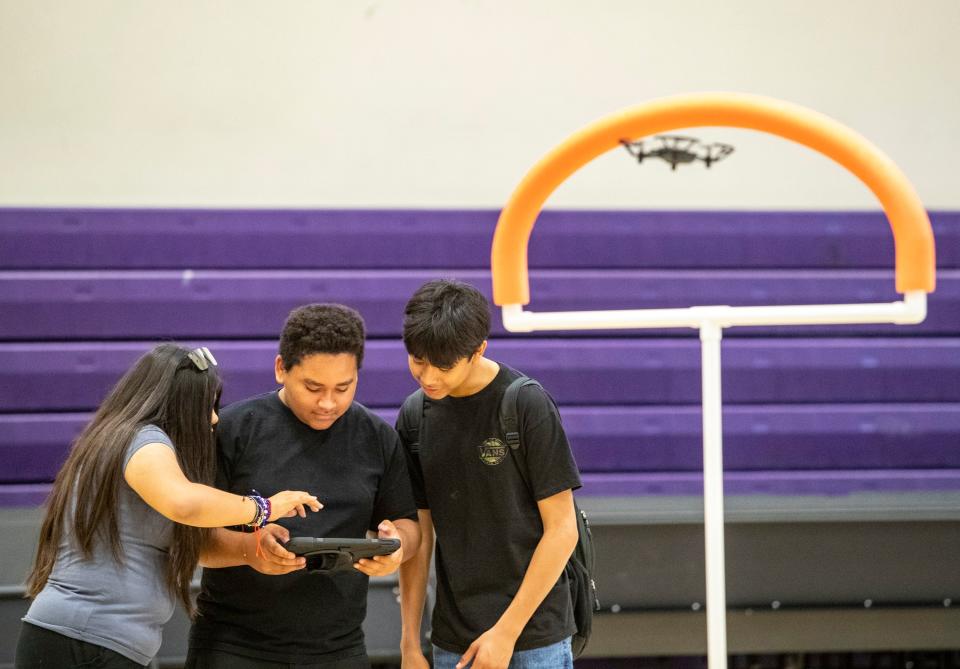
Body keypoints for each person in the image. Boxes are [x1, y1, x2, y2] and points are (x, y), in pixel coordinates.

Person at [15, 343, 321, 669]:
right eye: (206, 406)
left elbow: (193, 540)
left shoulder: (120, 439)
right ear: (178, 406)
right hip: (89, 643)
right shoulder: (144, 441)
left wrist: (253, 546)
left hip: (81, 639)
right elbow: (185, 504)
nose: (215, 417)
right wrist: (265, 508)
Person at [186, 303, 420, 669]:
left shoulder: (377, 437)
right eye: (313, 387)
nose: (328, 403)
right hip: (234, 645)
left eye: (344, 387)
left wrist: (397, 547)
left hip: (340, 648)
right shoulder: (232, 430)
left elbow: (409, 525)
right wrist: (252, 549)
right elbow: (192, 540)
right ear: (281, 369)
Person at [397, 279, 582, 669]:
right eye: (417, 360)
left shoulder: (526, 403)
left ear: (478, 349)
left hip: (533, 637)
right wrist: (409, 643)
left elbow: (563, 529)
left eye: (443, 365)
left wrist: (506, 632)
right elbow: (420, 536)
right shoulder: (415, 416)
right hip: (452, 640)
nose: (428, 377)